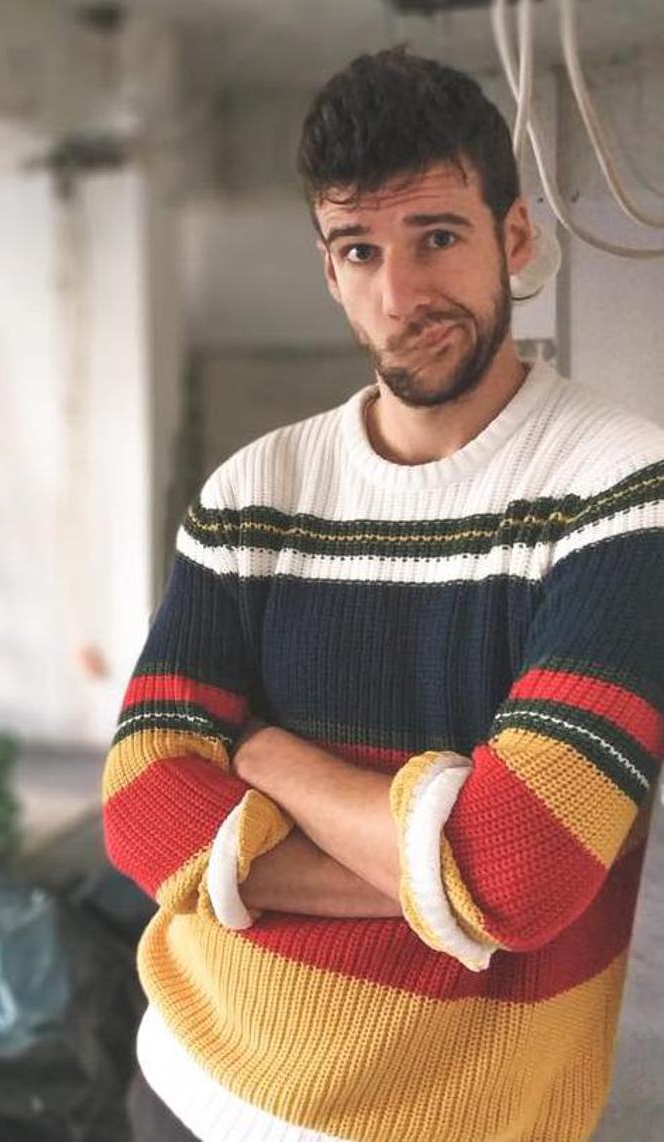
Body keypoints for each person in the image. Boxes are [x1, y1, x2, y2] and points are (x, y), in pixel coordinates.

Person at [102, 46, 664, 1142]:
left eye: (436, 237)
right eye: (360, 249)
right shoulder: (252, 492)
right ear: (329, 269)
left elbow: (519, 872)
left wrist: (267, 756)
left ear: (514, 238)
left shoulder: (620, 490)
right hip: (185, 1083)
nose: (400, 295)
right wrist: (434, 874)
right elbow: (139, 808)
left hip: (458, 1119)